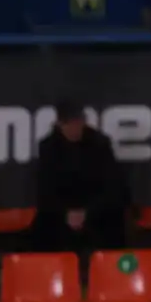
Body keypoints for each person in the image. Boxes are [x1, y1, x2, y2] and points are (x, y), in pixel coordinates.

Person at [34, 99, 129, 253]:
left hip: (94, 208)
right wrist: (66, 213)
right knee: (45, 221)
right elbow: (45, 188)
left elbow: (113, 185)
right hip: (63, 210)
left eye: (79, 122)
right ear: (59, 124)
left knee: (114, 214)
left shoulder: (100, 143)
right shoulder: (48, 147)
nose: (75, 128)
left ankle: (108, 263)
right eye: (70, 124)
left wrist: (87, 212)